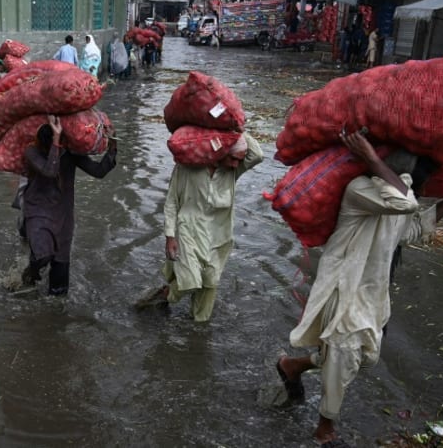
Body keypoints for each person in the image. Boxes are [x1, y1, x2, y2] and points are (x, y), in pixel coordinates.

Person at [275, 130, 443, 447]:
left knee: (360, 357)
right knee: (345, 353)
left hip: (373, 291)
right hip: (345, 287)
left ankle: (291, 365)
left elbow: (412, 229)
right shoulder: (360, 189)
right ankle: (325, 430)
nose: (409, 182)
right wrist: (372, 159)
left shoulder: (393, 201)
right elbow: (404, 203)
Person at [135, 134, 264, 322]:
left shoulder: (232, 171)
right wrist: (170, 236)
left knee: (210, 283)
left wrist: (237, 129)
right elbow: (171, 201)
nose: (237, 164)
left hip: (219, 233)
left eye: (240, 160)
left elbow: (258, 155)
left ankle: (198, 327)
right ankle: (161, 295)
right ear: (220, 153)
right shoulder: (188, 167)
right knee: (190, 282)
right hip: (188, 229)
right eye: (233, 159)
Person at [21, 115, 117, 296]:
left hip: (63, 215)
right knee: (42, 256)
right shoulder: (31, 152)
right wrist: (56, 139)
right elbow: (50, 171)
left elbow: (98, 171)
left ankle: (55, 320)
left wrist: (112, 144)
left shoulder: (71, 154)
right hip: (38, 210)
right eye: (53, 139)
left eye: (60, 139)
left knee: (59, 288)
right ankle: (29, 274)